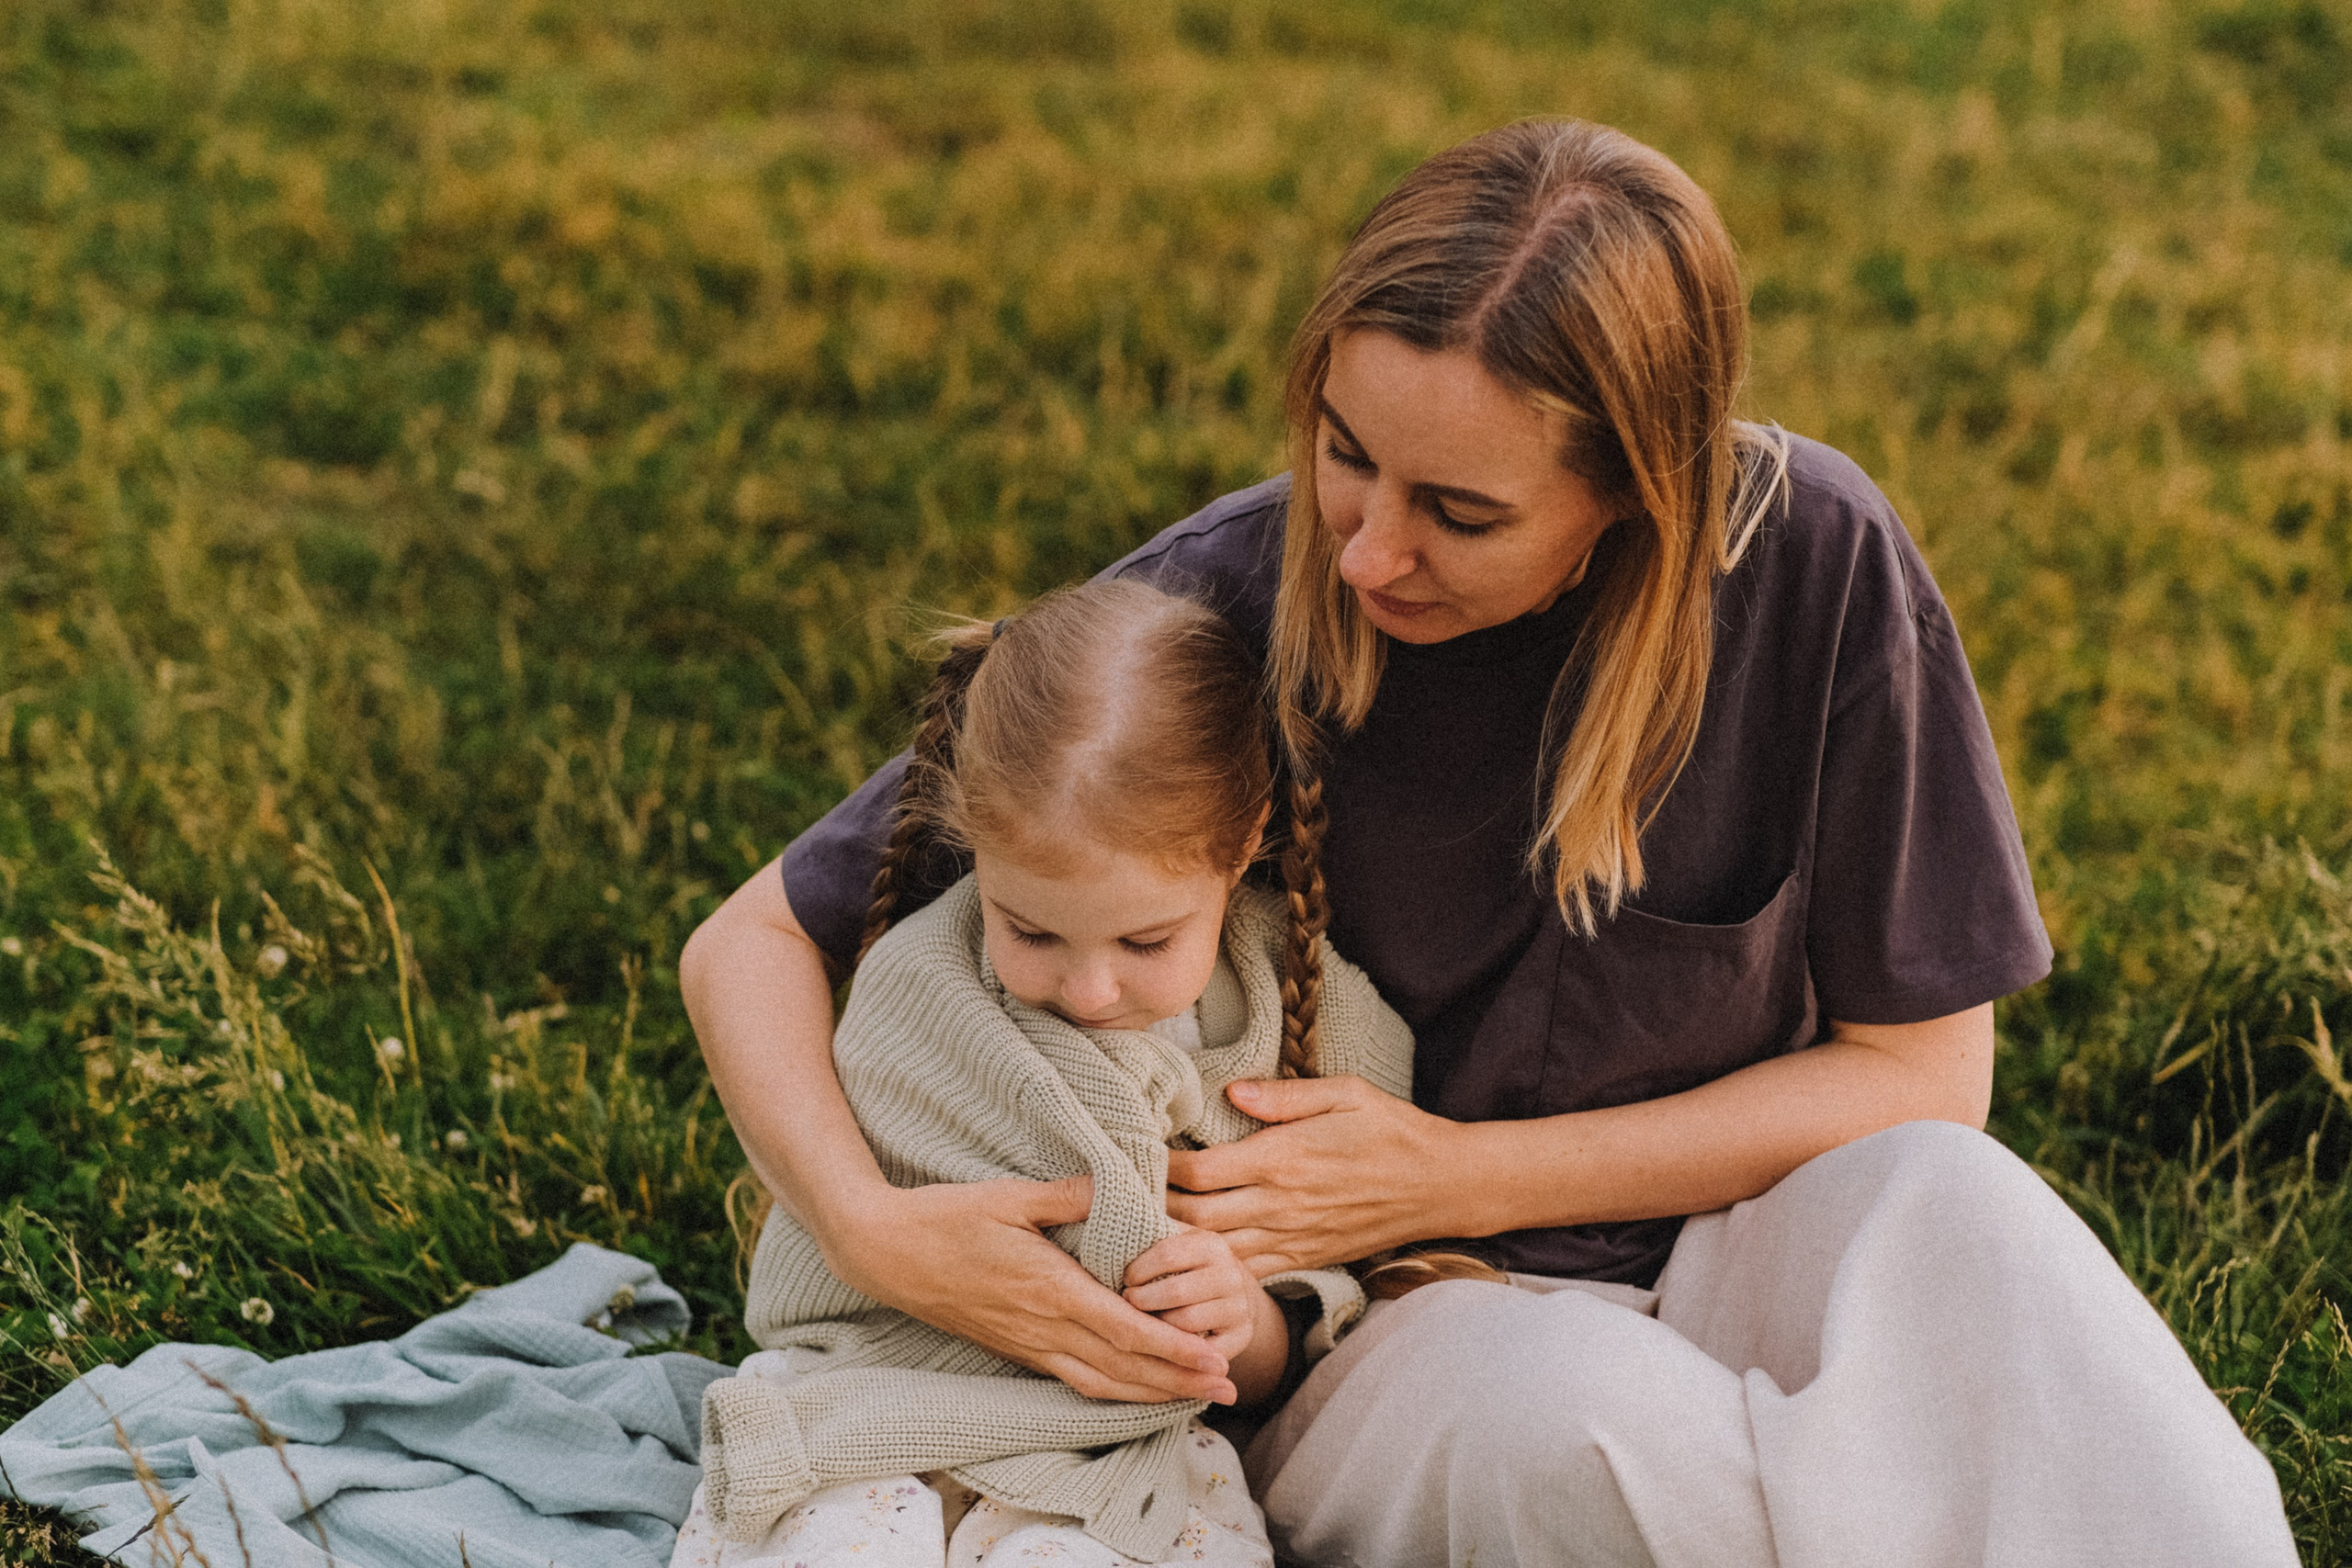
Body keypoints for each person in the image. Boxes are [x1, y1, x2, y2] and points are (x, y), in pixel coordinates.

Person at [683, 118, 2300, 1566]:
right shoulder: (1221, 613)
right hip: (1390, 1318)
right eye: (1343, 455)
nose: (1373, 548)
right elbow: (750, 940)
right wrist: (873, 1226)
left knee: (1967, 1211)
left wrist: (1459, 1165)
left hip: (1727, 1230)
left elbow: (1924, 1076)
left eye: (1460, 513)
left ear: (1641, 496)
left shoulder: (1816, 567)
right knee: (1577, 1427)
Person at [675, 579, 1456, 1568]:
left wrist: (1246, 1320)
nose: (1088, 991)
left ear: (1245, 837)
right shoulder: (924, 983)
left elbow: (1301, 1334)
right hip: (881, 1393)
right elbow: (844, 1251)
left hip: (1129, 1436)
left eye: (1146, 939)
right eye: (1031, 929)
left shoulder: (1303, 1020)